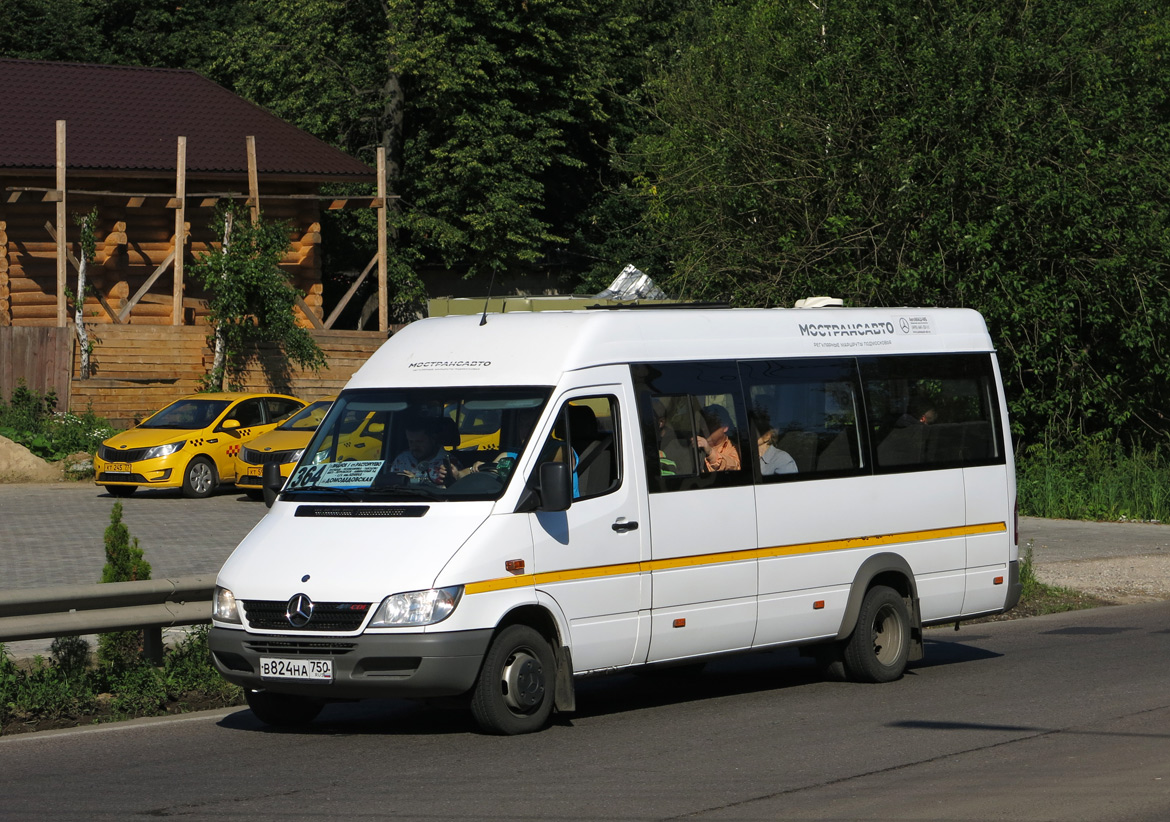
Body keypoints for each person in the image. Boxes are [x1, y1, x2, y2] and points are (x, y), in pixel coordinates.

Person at [389, 416, 459, 486]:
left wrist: (414, 481)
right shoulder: (402, 460)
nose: (414, 446)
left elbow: (452, 490)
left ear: (433, 439)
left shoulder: (449, 463)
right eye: (411, 442)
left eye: (419, 442)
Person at [697, 404, 740, 472]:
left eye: (710, 426)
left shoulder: (734, 448)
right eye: (702, 424)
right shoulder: (691, 444)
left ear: (725, 427)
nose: (704, 429)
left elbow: (734, 466)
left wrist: (710, 452)